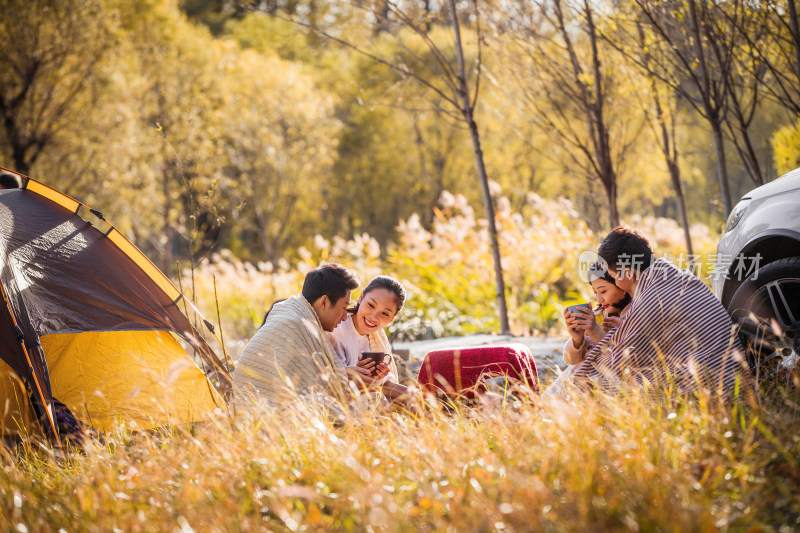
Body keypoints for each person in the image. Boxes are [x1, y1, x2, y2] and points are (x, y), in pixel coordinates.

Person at [565, 225, 745, 396]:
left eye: (613, 277)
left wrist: (589, 340)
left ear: (628, 272)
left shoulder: (650, 301)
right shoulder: (679, 278)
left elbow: (615, 366)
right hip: (727, 380)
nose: (617, 283)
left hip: (708, 392)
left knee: (590, 383)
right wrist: (624, 330)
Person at [233, 263, 374, 408]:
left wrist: (344, 375)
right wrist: (347, 382)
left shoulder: (297, 318)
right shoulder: (294, 325)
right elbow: (311, 394)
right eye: (344, 307)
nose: (345, 317)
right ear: (324, 301)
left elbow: (309, 381)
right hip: (259, 414)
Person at [326, 275, 417, 408]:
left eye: (385, 314)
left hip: (368, 398)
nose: (373, 317)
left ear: (392, 319)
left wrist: (378, 376)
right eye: (370, 305)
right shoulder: (336, 328)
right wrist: (356, 373)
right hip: (339, 403)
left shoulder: (375, 337)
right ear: (361, 297)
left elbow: (384, 386)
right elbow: (333, 379)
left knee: (420, 402)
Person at [544, 262, 632, 398]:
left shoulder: (635, 316)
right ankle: (549, 406)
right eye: (595, 292)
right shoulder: (598, 315)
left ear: (622, 285)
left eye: (603, 291)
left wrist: (595, 331)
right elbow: (570, 361)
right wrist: (577, 339)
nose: (599, 298)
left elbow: (620, 359)